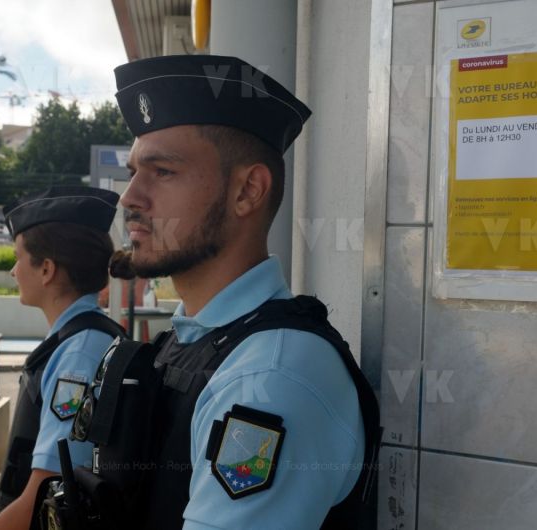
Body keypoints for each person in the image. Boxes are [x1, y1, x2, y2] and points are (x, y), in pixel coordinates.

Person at [108, 55, 377, 528]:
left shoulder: (271, 377)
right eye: (133, 171)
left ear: (248, 191)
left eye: (162, 171)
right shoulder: (192, 342)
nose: (130, 196)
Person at [0, 186, 125, 529]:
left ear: (46, 269)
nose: (14, 271)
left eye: (18, 258)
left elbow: (47, 493)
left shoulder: (80, 353)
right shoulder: (81, 340)